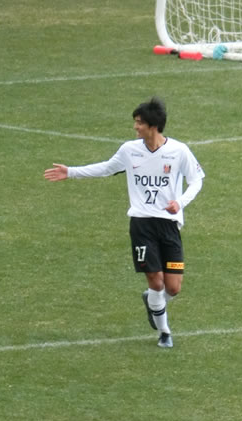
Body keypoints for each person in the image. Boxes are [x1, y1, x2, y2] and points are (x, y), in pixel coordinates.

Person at [43, 97, 204, 348]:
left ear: (153, 126)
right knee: (156, 280)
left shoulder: (179, 151)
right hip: (141, 224)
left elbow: (197, 180)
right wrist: (71, 171)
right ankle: (164, 332)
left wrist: (180, 202)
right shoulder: (130, 150)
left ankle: (153, 301)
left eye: (139, 123)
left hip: (169, 225)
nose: (135, 127)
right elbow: (106, 168)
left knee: (172, 288)